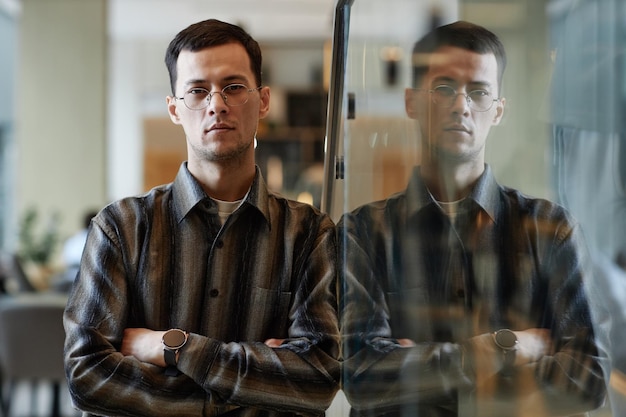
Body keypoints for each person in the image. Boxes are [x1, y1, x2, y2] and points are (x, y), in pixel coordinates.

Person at [64, 19, 340, 417]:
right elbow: (88, 377)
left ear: (262, 100)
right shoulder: (120, 228)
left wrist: (172, 347)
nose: (216, 104)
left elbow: (316, 380)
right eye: (197, 90)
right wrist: (256, 388)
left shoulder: (309, 234)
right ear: (175, 109)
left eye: (233, 86)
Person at [338, 21, 607, 416]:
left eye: (478, 92)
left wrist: (421, 366)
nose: (461, 105)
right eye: (444, 88)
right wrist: (506, 347)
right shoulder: (363, 231)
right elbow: (361, 377)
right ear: (412, 101)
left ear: (497, 111)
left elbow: (589, 380)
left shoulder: (551, 229)